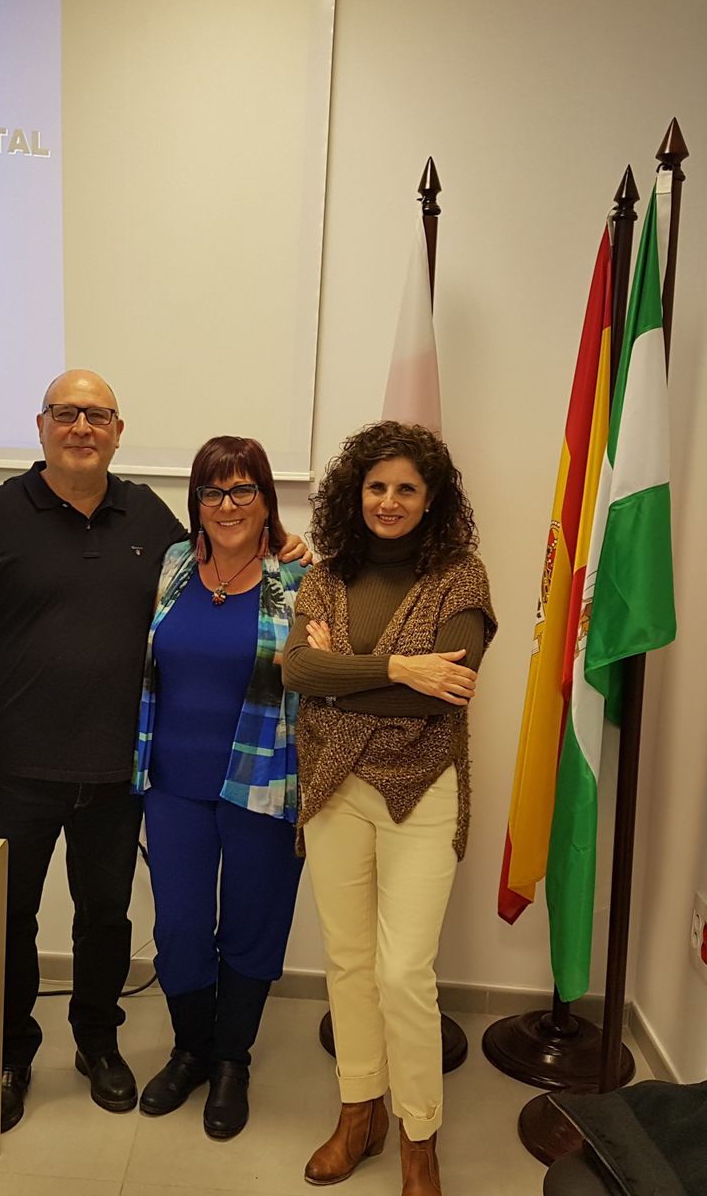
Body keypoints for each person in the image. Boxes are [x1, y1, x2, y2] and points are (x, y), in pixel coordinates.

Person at [0, 370, 309, 1134]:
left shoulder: (151, 521)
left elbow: (230, 563)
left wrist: (285, 545)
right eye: (67, 413)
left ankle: (98, 1042)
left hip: (122, 769)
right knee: (10, 917)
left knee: (107, 917)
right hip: (15, 765)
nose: (82, 427)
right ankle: (10, 1053)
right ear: (41, 425)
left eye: (97, 415)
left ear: (119, 431)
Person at [280, 421, 497, 1196]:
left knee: (403, 971)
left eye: (406, 487)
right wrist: (403, 667)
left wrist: (350, 672)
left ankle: (419, 1138)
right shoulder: (328, 573)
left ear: (431, 498)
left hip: (422, 790)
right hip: (335, 787)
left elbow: (452, 690)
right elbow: (298, 669)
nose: (390, 501)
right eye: (376, 486)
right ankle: (356, 1111)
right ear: (355, 494)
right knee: (348, 961)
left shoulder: (460, 578)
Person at [130, 436, 305, 1141]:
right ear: (195, 503)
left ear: (266, 499)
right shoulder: (175, 565)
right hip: (172, 780)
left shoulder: (297, 579)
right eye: (212, 491)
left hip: (264, 782)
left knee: (252, 928)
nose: (227, 506)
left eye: (243, 491)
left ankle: (232, 1061)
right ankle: (190, 1050)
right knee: (177, 928)